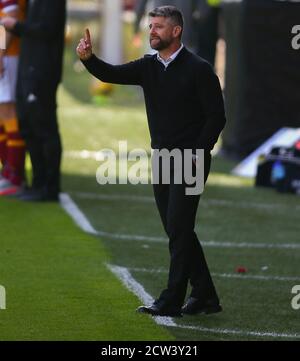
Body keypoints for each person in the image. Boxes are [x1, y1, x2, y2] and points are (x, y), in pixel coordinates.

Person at [77, 6, 226, 317]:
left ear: (176, 31)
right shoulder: (148, 66)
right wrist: (89, 59)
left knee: (178, 228)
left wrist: (200, 152)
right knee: (177, 230)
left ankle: (171, 299)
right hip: (162, 159)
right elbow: (112, 74)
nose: (152, 31)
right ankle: (205, 295)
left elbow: (217, 117)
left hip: (190, 161)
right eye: (151, 26)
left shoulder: (198, 68)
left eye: (159, 26)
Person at [1, 0, 66, 201]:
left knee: (43, 126)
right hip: (27, 66)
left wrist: (14, 28)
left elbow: (47, 29)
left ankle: (48, 187)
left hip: (42, 69)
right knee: (27, 125)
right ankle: (37, 183)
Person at [0, 0, 26, 196]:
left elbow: (11, 17)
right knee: (3, 115)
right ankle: (7, 171)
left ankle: (14, 176)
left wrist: (0, 52)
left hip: (9, 55)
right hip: (6, 54)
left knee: (8, 111)